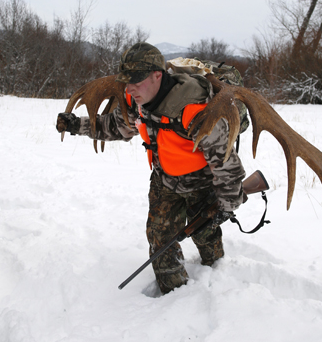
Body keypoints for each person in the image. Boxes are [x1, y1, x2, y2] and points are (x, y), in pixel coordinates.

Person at [56, 43, 246, 294]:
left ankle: (219, 278)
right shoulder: (138, 101)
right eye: (126, 81)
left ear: (158, 75)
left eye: (136, 80)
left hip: (202, 183)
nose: (129, 87)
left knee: (205, 234)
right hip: (164, 181)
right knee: (160, 240)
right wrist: (76, 125)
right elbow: (115, 127)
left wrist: (226, 205)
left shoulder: (194, 110)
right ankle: (174, 296)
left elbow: (226, 165)